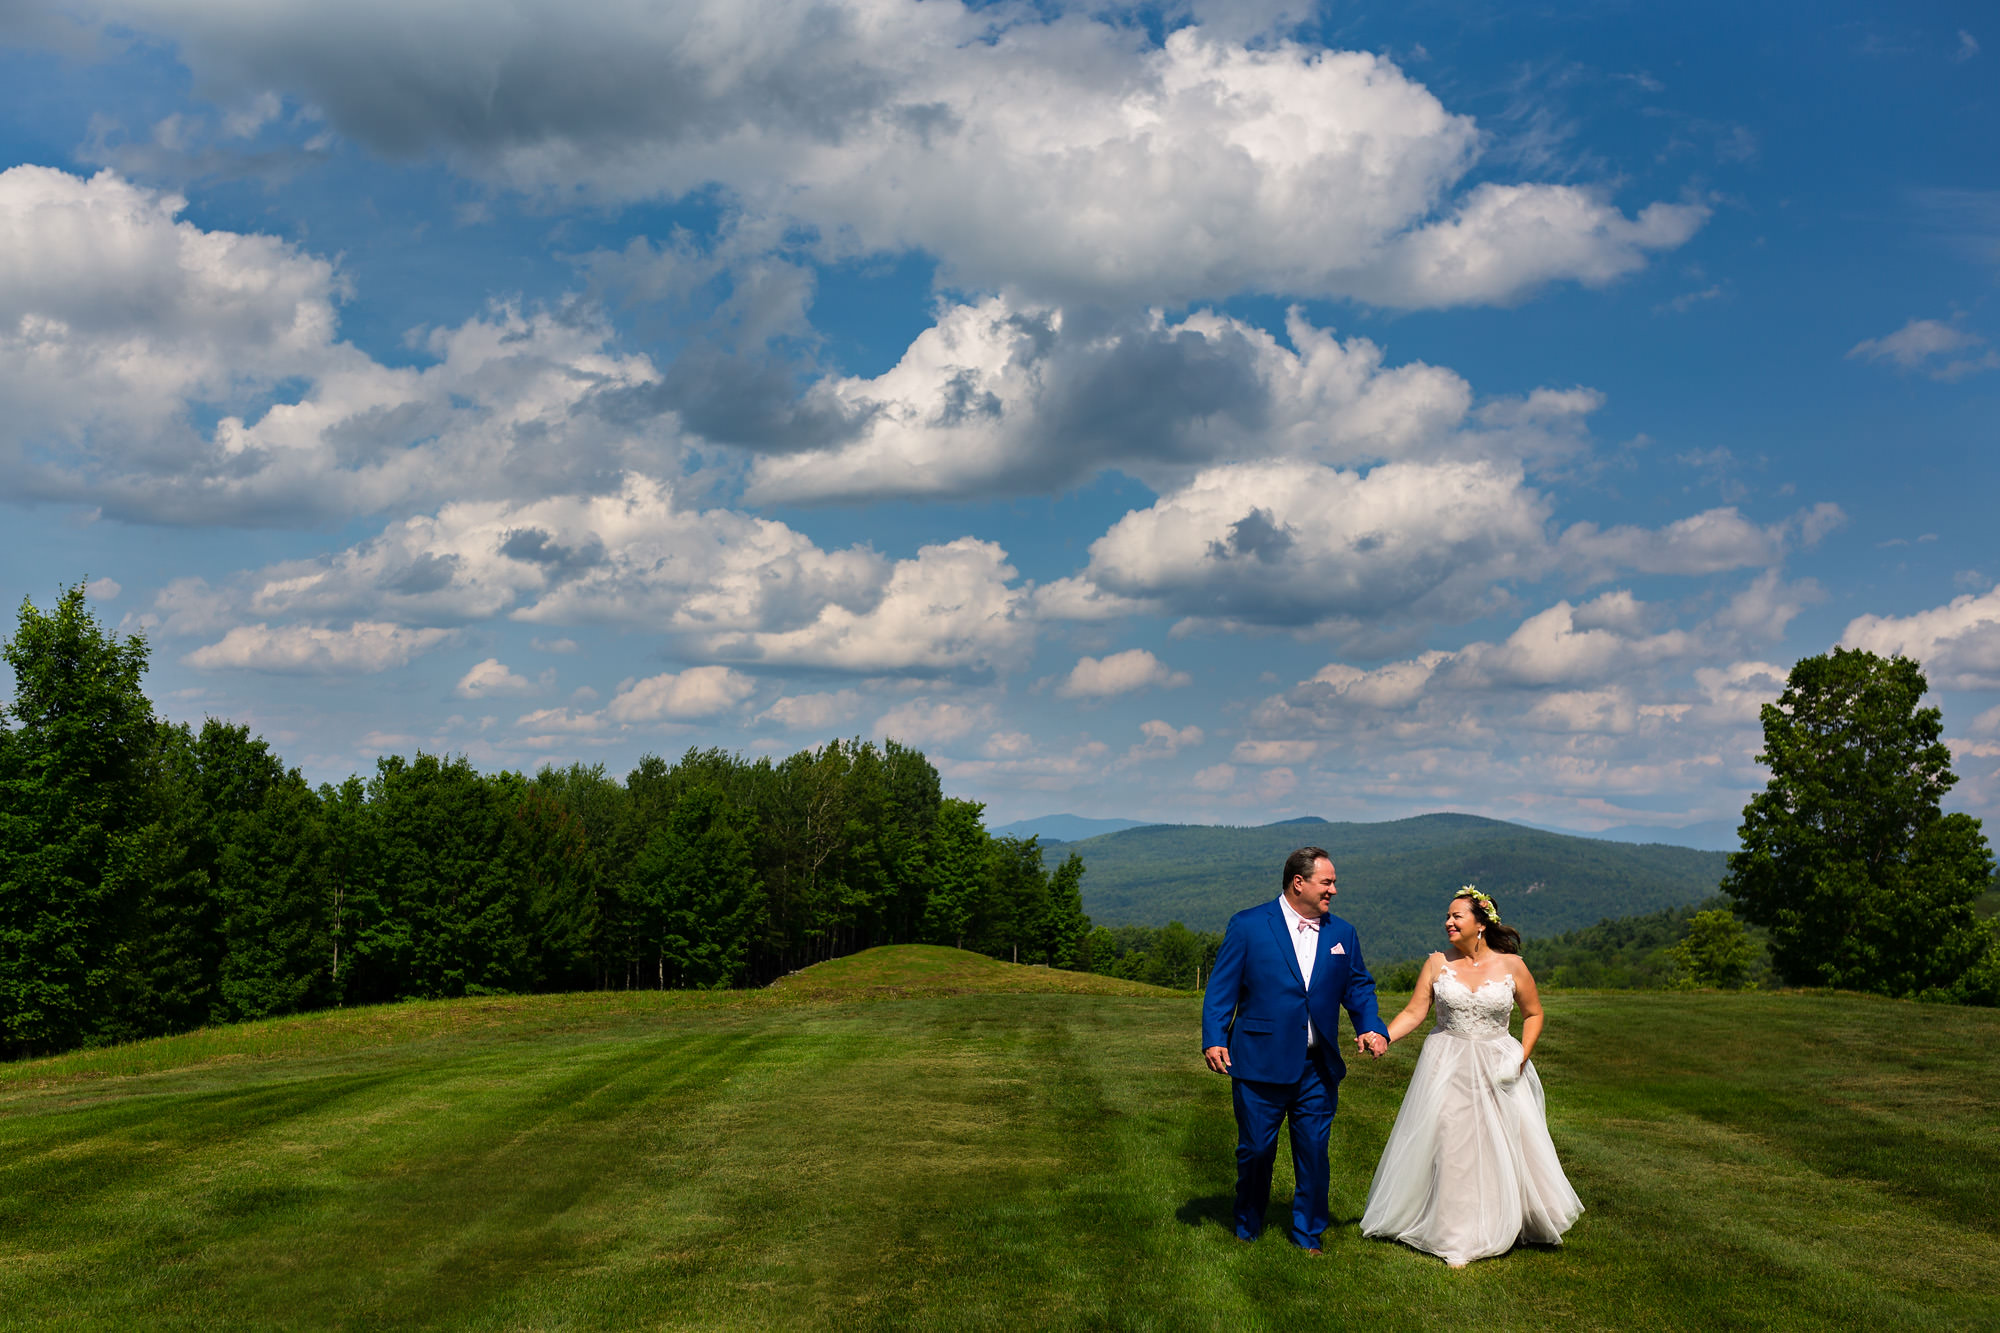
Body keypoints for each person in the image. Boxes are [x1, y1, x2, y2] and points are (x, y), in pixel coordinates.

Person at [1360, 887, 1583, 1267]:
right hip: (1447, 1061)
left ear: (1480, 924)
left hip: (1499, 1063)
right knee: (1454, 1144)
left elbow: (1534, 1014)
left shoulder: (1512, 966)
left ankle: (1513, 1216)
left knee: (1506, 1142)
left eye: (1456, 916)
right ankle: (1457, 1234)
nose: (1448, 921)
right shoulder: (1436, 964)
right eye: (1447, 916)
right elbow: (1415, 1012)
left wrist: (1521, 1058)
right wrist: (1384, 1036)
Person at [1201, 847, 1389, 1254]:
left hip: (1317, 1068)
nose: (1334, 891)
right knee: (1255, 1150)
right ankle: (1247, 1225)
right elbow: (1222, 987)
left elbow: (1358, 986)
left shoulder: (1343, 934)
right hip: (1258, 1060)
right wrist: (1215, 1036)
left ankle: (1308, 1235)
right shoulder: (1249, 925)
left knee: (1314, 1154)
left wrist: (1371, 1027)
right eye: (1327, 882)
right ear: (1298, 882)